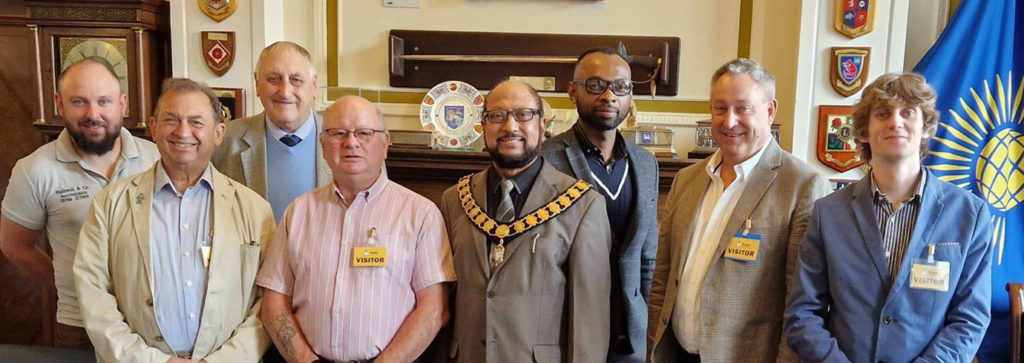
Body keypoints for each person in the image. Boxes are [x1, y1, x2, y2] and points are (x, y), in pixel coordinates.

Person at [784, 72, 993, 362]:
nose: (896, 122)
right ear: (863, 132)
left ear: (927, 127)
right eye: (882, 114)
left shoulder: (970, 214)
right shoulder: (827, 213)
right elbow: (802, 314)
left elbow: (970, 319)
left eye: (908, 112)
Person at [74, 78, 274, 362]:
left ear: (218, 133)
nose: (183, 132)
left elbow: (267, 303)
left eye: (196, 122)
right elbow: (93, 295)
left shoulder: (255, 209)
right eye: (171, 120)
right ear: (154, 128)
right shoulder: (109, 204)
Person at [647, 58, 830, 362]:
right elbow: (662, 280)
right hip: (674, 353)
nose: (729, 121)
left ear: (770, 110)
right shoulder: (686, 180)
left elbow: (801, 305)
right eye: (720, 108)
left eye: (743, 108)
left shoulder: (802, 186)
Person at [257, 96, 455, 363]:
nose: (351, 142)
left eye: (364, 133)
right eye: (338, 133)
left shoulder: (420, 214)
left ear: (385, 144)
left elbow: (434, 309)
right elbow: (273, 303)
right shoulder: (298, 212)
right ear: (323, 145)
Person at [440, 80, 612, 362]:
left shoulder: (582, 206)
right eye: (497, 115)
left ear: (542, 125)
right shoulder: (455, 201)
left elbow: (589, 323)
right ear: (482, 126)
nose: (510, 127)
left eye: (523, 114)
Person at [0, 58, 159, 349]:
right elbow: (15, 246)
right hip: (81, 328)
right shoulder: (34, 170)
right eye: (79, 102)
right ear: (59, 104)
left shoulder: (158, 160)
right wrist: (70, 285)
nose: (93, 114)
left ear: (122, 104)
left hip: (151, 325)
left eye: (104, 101)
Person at [541, 47, 659, 363]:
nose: (609, 95)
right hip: (565, 330)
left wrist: (647, 325)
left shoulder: (646, 164)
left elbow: (648, 257)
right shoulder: (544, 159)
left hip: (628, 337)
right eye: (595, 85)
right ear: (572, 90)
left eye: (620, 87)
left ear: (630, 96)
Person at [212, 41, 330, 221]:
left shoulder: (348, 141)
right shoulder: (224, 141)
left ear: (314, 86)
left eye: (296, 80)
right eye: (273, 79)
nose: (285, 92)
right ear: (257, 84)